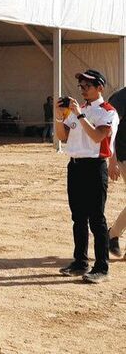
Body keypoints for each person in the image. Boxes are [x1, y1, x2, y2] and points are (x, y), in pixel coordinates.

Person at [54, 69, 119, 284]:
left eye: (87, 86)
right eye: (81, 86)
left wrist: (79, 115)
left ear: (100, 87)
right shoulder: (78, 109)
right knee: (78, 217)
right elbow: (63, 136)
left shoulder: (107, 111)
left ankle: (102, 266)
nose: (82, 89)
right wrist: (58, 115)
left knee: (97, 219)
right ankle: (80, 261)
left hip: (94, 167)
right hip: (75, 166)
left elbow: (97, 136)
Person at [107, 86, 126, 259]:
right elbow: (109, 130)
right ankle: (112, 234)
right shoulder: (122, 97)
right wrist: (112, 160)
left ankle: (112, 234)